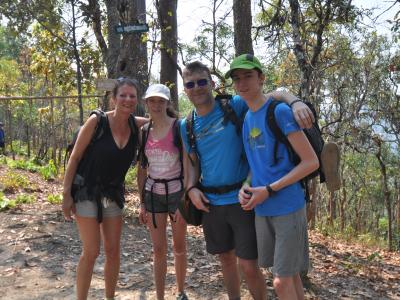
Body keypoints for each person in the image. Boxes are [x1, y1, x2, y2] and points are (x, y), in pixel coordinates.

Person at [180, 61, 314, 300]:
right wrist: (190, 188)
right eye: (190, 84)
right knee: (226, 260)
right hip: (211, 201)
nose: (197, 88)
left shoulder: (235, 105)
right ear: (184, 89)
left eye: (202, 82)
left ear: (211, 83)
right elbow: (192, 162)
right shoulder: (186, 124)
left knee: (250, 265)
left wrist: (295, 101)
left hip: (245, 199)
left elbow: (272, 96)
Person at [226, 54, 319, 300]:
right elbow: (255, 166)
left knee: (280, 281)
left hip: (287, 206)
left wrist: (269, 189)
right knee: (290, 275)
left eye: (248, 76)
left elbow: (311, 162)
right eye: (237, 78)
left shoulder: (279, 112)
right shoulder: (247, 118)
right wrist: (246, 186)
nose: (242, 83)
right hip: (263, 208)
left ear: (261, 78)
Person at [62, 78, 147, 300]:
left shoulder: (136, 125)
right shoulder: (96, 121)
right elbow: (75, 157)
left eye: (132, 96)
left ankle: (110, 297)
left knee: (113, 251)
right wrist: (66, 195)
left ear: (136, 100)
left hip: (113, 194)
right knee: (91, 251)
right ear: (113, 99)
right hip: (86, 190)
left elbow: (160, 121)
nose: (128, 99)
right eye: (123, 95)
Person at [137, 84, 188, 300]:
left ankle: (180, 291)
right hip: (153, 193)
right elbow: (142, 169)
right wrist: (141, 202)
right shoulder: (143, 132)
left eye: (161, 101)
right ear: (146, 103)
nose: (156, 105)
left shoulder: (179, 127)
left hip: (177, 191)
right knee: (158, 249)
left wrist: (184, 199)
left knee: (179, 246)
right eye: (152, 101)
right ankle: (159, 296)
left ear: (168, 103)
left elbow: (188, 164)